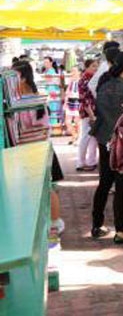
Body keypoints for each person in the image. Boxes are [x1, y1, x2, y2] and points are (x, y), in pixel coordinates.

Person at [90, 50, 123, 244]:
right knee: (122, 185)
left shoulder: (105, 85)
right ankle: (121, 230)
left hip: (104, 138)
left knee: (105, 182)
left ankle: (97, 224)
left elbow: (100, 112)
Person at [12, 60, 66, 234]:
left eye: (14, 77)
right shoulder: (33, 98)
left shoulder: (25, 101)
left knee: (45, 188)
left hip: (32, 150)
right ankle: (52, 223)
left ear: (23, 78)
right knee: (45, 188)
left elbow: (34, 128)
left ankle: (54, 223)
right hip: (39, 149)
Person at [77, 59, 99, 171]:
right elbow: (84, 100)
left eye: (96, 66)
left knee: (93, 137)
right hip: (88, 112)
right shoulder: (84, 80)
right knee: (86, 136)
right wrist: (91, 115)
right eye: (93, 66)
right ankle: (80, 162)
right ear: (86, 67)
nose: (96, 68)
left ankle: (91, 161)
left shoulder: (93, 79)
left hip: (94, 111)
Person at [64, 66, 81, 145]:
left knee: (78, 122)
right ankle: (74, 135)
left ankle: (78, 138)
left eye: (74, 71)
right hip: (70, 102)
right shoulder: (70, 81)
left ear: (79, 72)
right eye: (72, 71)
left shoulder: (81, 81)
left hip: (77, 102)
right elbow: (67, 93)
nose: (73, 73)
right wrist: (65, 102)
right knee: (67, 122)